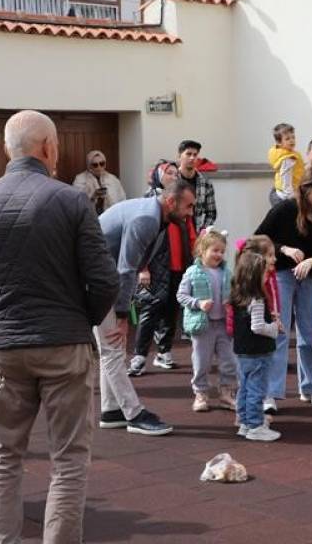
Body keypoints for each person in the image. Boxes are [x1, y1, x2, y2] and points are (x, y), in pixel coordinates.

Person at [0, 111, 118, 543]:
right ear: (49, 148)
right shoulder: (71, 200)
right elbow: (103, 281)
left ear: (8, 149)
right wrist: (81, 320)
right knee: (69, 458)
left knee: (3, 453)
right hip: (64, 341)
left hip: (5, 344)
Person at [97, 186, 199, 437]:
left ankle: (111, 410)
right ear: (171, 201)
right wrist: (122, 315)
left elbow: (135, 259)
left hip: (100, 280)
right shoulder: (146, 218)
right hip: (96, 284)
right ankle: (134, 414)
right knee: (112, 348)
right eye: (188, 206)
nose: (190, 212)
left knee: (112, 349)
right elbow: (125, 268)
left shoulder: (157, 216)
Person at [255, 168, 312, 409]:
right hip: (282, 274)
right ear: (305, 188)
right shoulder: (285, 209)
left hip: (310, 278)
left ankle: (311, 387)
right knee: (279, 332)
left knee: (308, 335)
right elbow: (260, 237)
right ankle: (271, 393)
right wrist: (285, 249)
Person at [129, 162, 188, 375]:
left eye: (175, 172)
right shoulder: (148, 199)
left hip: (178, 263)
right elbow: (139, 238)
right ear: (157, 176)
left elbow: (187, 229)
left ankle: (164, 351)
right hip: (156, 264)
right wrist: (143, 268)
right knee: (150, 309)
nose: (174, 175)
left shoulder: (181, 199)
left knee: (172, 310)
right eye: (169, 173)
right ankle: (139, 356)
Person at [176, 229, 237, 412]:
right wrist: (198, 303)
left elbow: (234, 293)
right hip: (203, 326)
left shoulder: (227, 272)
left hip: (224, 325)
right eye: (215, 250)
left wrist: (232, 301)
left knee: (229, 361)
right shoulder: (192, 272)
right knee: (201, 362)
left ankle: (226, 393)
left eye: (221, 251)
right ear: (202, 251)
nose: (219, 254)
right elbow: (181, 295)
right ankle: (201, 393)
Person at [231, 249, 282, 442]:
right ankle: (255, 425)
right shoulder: (257, 298)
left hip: (243, 351)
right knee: (256, 389)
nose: (267, 275)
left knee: (244, 387)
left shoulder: (238, 296)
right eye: (264, 272)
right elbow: (258, 327)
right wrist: (274, 327)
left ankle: (245, 422)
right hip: (258, 351)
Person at [177, 139, 217, 231]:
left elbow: (211, 213)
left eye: (195, 155)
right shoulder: (171, 180)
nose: (192, 158)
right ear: (179, 156)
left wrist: (203, 231)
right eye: (188, 154)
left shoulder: (206, 183)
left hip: (196, 233)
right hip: (174, 232)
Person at [72, 149, 126, 215]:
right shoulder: (80, 179)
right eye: (95, 165)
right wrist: (93, 196)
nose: (99, 167)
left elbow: (122, 199)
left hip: (111, 216)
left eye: (102, 163)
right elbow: (76, 202)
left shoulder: (113, 179)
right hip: (89, 218)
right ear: (89, 166)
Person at [268, 123, 305, 206]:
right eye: (287, 139)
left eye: (293, 137)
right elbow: (286, 179)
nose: (292, 140)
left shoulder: (288, 154)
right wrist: (292, 196)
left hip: (284, 192)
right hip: (285, 195)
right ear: (279, 142)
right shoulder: (288, 158)